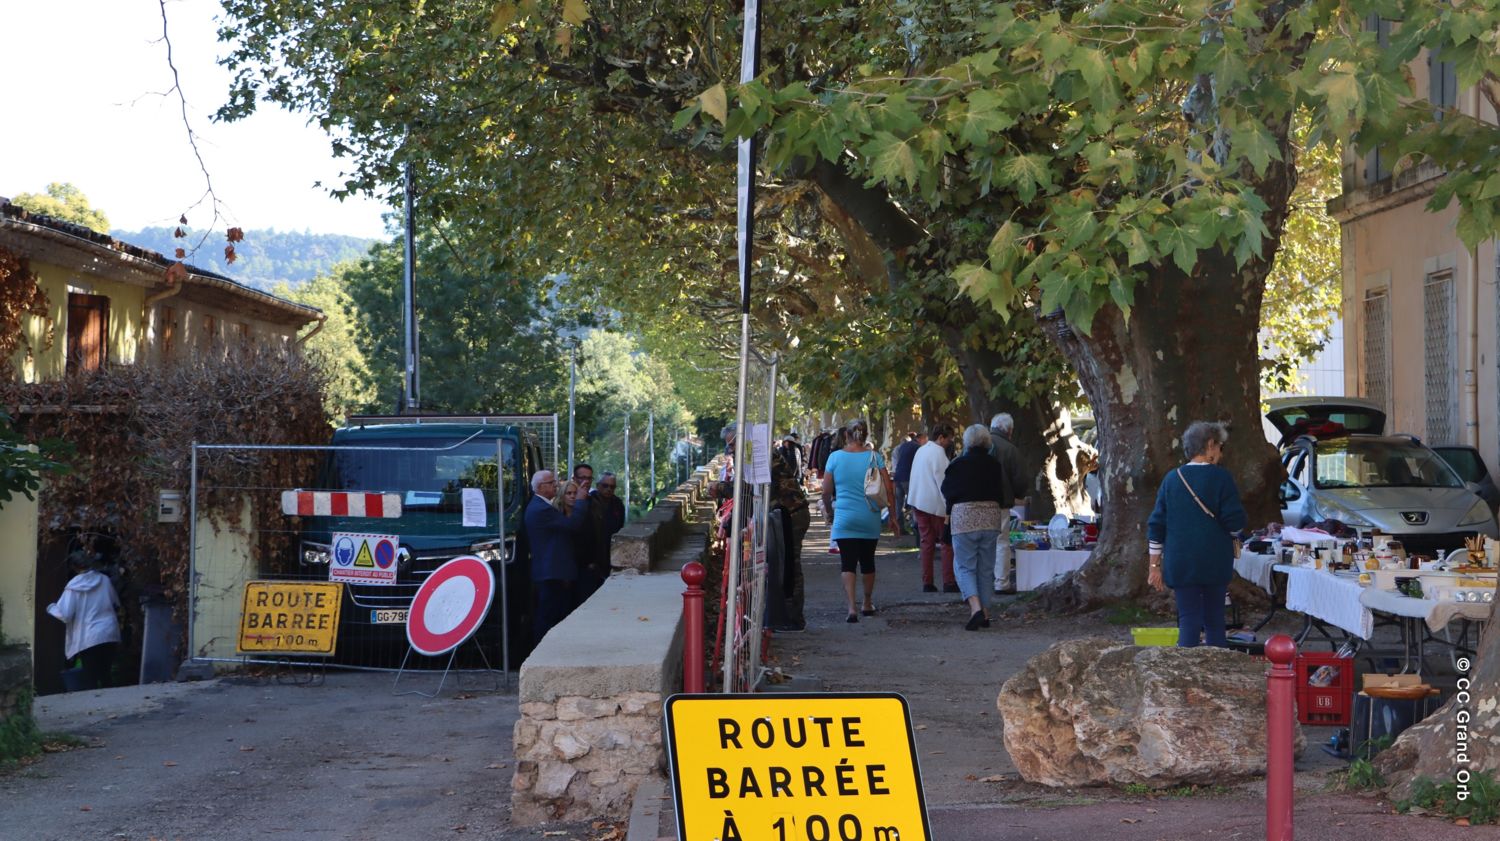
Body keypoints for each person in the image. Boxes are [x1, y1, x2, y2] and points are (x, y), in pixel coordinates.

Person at [1147, 421, 1247, 648]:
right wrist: (1235, 533)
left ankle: (1185, 666)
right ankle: (1217, 666)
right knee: (1215, 620)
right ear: (1210, 445)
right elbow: (1234, 521)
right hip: (1215, 560)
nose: (1221, 452)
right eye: (1220, 446)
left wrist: (1154, 566)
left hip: (1180, 561)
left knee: (1188, 619)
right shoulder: (1222, 478)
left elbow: (1156, 525)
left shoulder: (1172, 479)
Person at [820, 418, 895, 622]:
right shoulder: (875, 457)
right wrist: (893, 516)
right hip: (869, 516)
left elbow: (826, 491)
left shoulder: (835, 458)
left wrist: (829, 512)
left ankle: (851, 607)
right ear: (865, 435)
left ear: (846, 435)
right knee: (868, 561)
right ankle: (867, 603)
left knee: (848, 563)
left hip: (844, 517)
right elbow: (889, 489)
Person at [942, 425, 1009, 630]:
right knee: (986, 568)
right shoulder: (994, 465)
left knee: (964, 566)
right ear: (987, 442)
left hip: (965, 518)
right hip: (990, 517)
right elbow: (1001, 491)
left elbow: (947, 491)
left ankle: (975, 608)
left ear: (967, 442)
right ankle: (986, 613)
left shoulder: (957, 464)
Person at [525, 469, 591, 644]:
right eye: (551, 482)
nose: (556, 485)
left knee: (552, 614)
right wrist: (581, 501)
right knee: (548, 616)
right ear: (540, 487)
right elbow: (572, 525)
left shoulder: (541, 506)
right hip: (550, 572)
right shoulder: (541, 509)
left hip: (550, 571)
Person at [46, 551, 122, 690]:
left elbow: (65, 615)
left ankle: (94, 702)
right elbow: (115, 603)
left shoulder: (73, 587)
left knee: (91, 678)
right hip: (109, 633)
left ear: (74, 567)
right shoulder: (104, 580)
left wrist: (51, 608)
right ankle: (113, 701)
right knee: (106, 675)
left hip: (89, 637)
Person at [907, 423, 958, 593]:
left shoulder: (921, 450)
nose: (949, 443)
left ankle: (927, 581)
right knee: (946, 542)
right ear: (941, 438)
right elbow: (943, 484)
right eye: (949, 439)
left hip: (918, 501)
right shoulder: (939, 454)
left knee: (926, 542)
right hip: (935, 505)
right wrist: (949, 507)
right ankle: (949, 581)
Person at [988, 413, 1030, 594]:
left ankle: (978, 582)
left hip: (974, 502)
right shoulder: (1010, 449)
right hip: (1000, 502)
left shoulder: (976, 443)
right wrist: (1017, 495)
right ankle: (1001, 583)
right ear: (1009, 430)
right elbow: (1020, 479)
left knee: (979, 542)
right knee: (1001, 542)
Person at [580, 471, 627, 602]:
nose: (608, 489)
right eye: (605, 486)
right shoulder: (588, 502)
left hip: (610, 556)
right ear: (598, 485)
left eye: (612, 487)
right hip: (591, 558)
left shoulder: (617, 504)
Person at [891, 431, 925, 537]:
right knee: (914, 503)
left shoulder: (900, 447)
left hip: (898, 478)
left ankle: (899, 528)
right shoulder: (917, 447)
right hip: (908, 478)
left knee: (898, 504)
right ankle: (915, 528)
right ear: (919, 439)